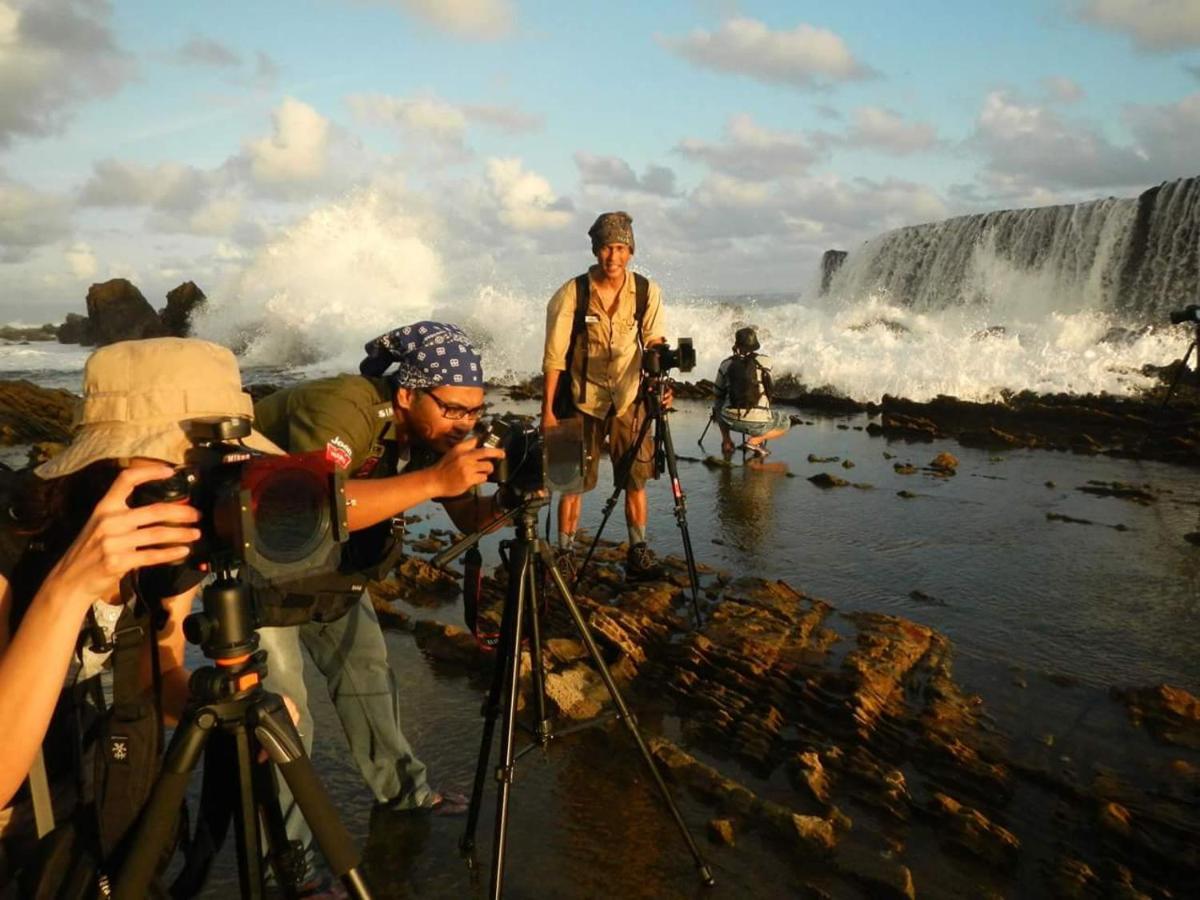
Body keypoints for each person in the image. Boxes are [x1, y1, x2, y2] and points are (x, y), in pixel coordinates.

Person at [0, 338, 275, 892]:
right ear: (113, 459)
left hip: (124, 838)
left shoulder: (170, 546)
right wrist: (68, 591)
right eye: (190, 461)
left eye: (222, 464)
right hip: (29, 855)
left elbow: (157, 679)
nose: (206, 483)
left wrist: (217, 703)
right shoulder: (12, 550)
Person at [252, 321, 507, 890]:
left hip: (333, 565)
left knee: (368, 673)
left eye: (475, 411)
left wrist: (511, 496)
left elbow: (467, 516)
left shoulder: (436, 436)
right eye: (454, 409)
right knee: (285, 713)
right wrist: (435, 482)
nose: (465, 423)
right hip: (260, 557)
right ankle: (288, 869)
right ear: (407, 394)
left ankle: (406, 792)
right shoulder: (342, 407)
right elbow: (308, 504)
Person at [541, 211, 668, 579]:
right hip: (580, 400)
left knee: (636, 481)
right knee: (570, 483)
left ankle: (638, 550)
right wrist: (548, 412)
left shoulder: (646, 291)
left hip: (629, 399)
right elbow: (553, 358)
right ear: (595, 250)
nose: (613, 257)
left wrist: (661, 381)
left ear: (630, 251)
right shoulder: (572, 293)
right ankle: (565, 553)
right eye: (606, 248)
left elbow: (654, 341)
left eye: (620, 248)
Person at [712, 327, 793, 459]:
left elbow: (717, 392)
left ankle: (727, 441)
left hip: (729, 420)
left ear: (736, 344)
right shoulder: (767, 361)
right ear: (755, 345)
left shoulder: (725, 364)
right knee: (785, 421)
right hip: (759, 423)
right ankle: (754, 441)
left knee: (718, 403)